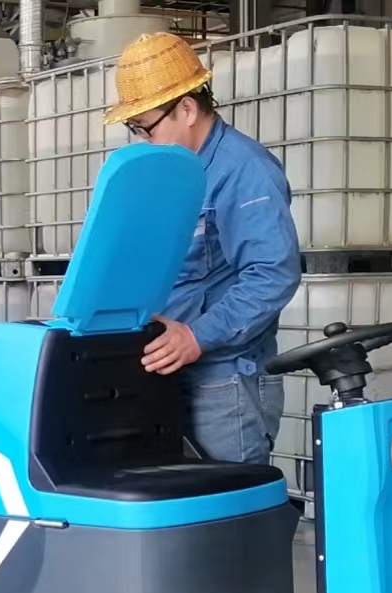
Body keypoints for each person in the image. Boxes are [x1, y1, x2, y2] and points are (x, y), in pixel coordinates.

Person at [103, 32, 302, 466]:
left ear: (187, 109)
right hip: (174, 373)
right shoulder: (178, 173)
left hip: (224, 385)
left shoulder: (244, 171)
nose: (145, 140)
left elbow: (273, 274)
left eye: (147, 127)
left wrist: (197, 336)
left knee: (229, 503)